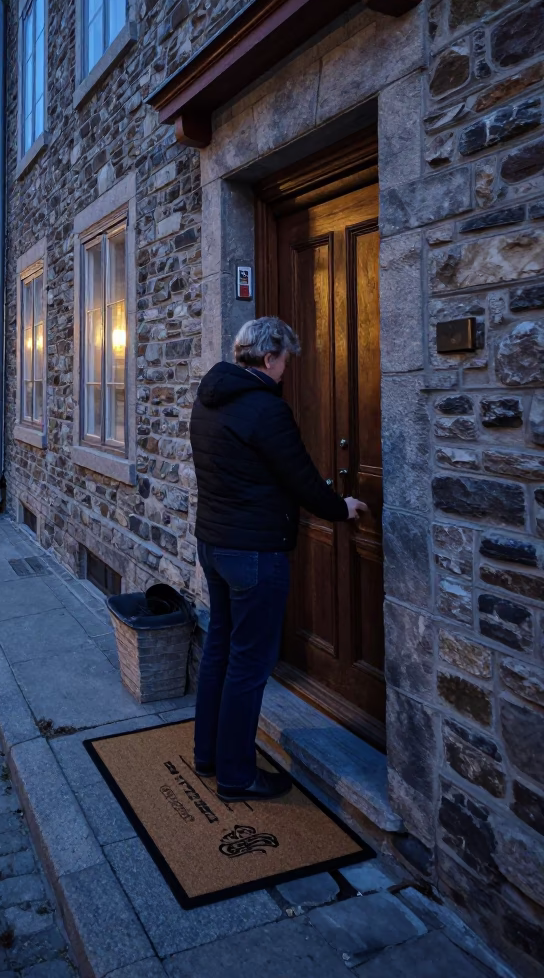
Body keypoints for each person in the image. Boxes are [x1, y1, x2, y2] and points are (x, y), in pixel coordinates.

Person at [189, 317, 367, 803]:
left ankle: (208, 755)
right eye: (285, 360)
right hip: (254, 553)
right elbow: (302, 479)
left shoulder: (208, 400)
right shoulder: (266, 408)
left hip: (214, 545)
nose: (287, 370)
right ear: (268, 358)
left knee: (220, 649)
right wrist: (341, 508)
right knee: (249, 664)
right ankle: (236, 776)